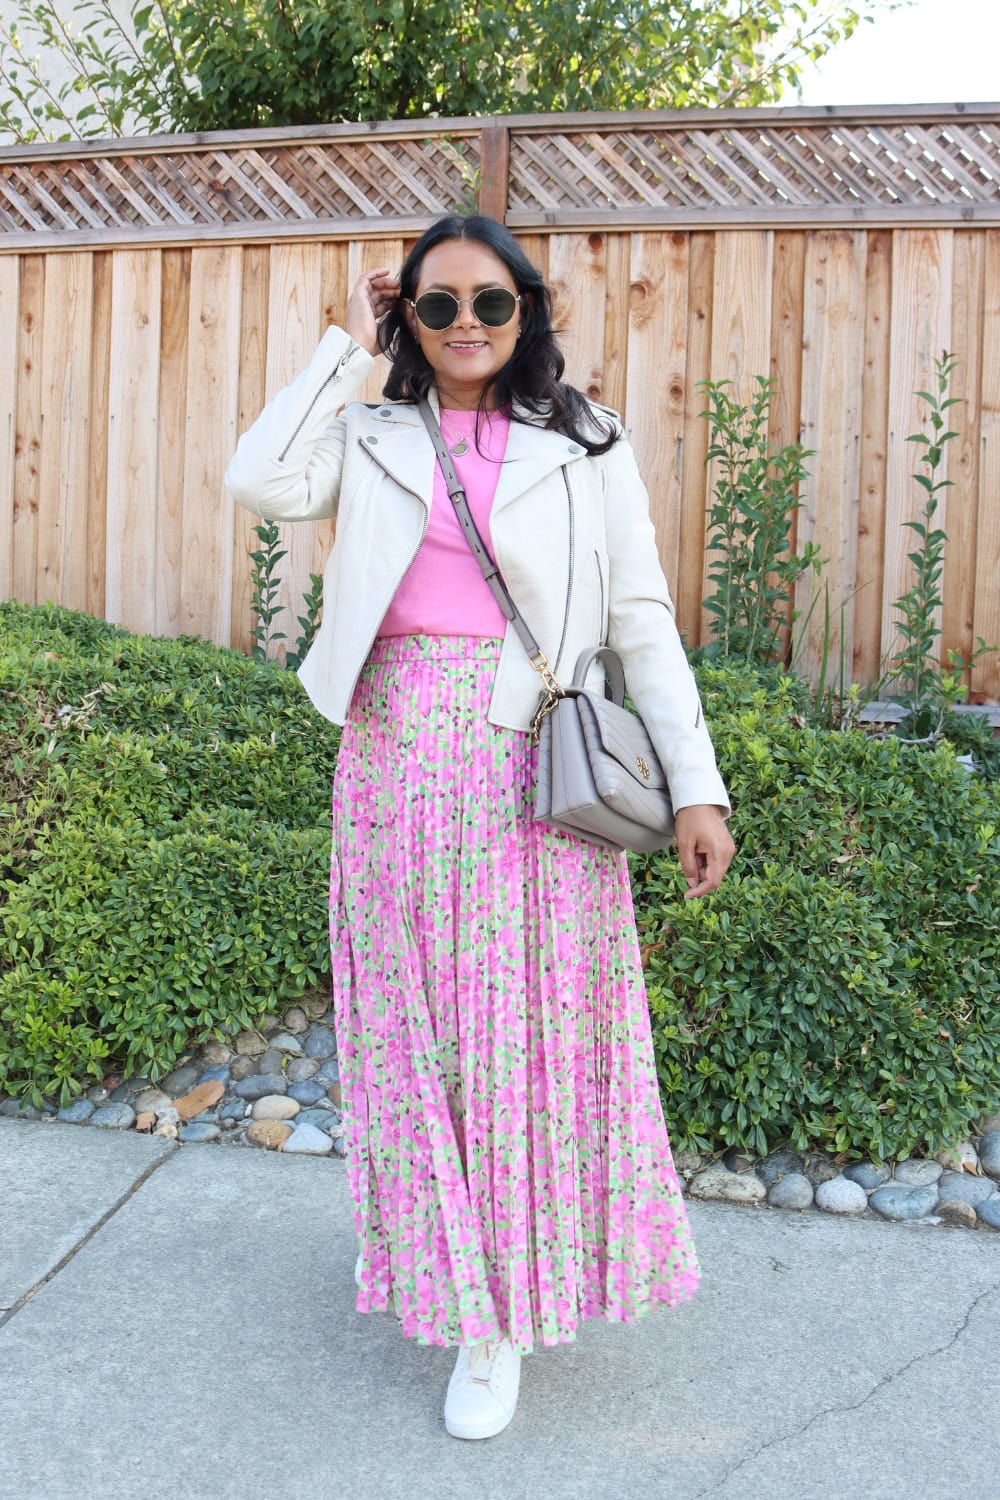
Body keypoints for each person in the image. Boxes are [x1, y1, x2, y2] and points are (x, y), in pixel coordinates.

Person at [225, 213, 735, 1442]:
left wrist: (695, 783)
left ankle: (502, 1313)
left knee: (521, 1042)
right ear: (408, 313)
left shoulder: (585, 440)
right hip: (393, 756)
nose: (463, 327)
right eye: (436, 304)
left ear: (526, 313)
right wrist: (349, 346)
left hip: (533, 767)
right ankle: (459, 1290)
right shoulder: (370, 427)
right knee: (418, 1038)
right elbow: (257, 480)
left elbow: (641, 615)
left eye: (489, 304)